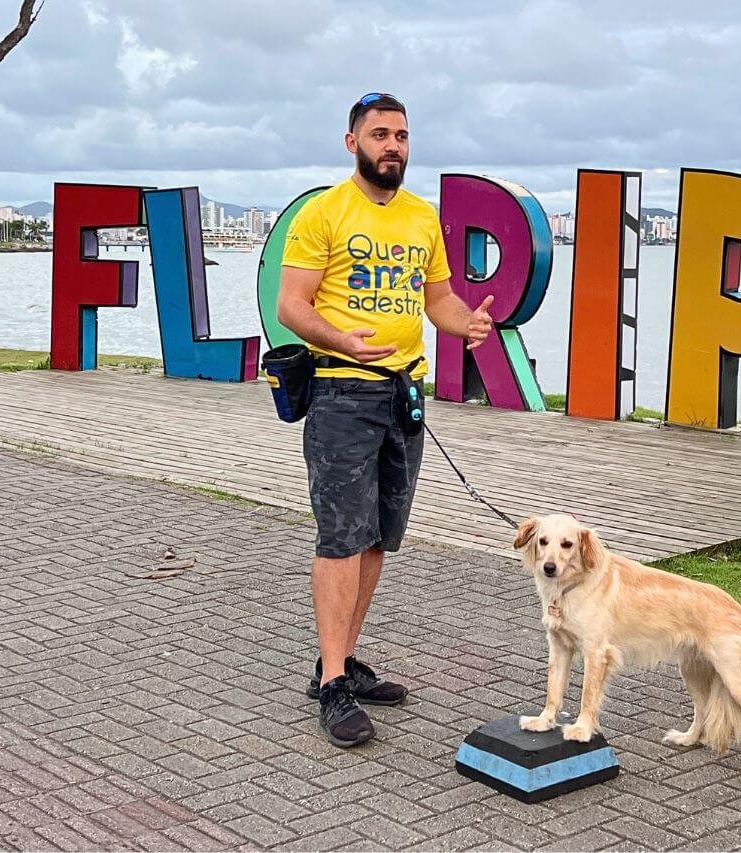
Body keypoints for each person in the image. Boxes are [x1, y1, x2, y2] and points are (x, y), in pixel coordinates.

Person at [276, 92, 495, 748]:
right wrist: (343, 341)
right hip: (342, 394)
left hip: (404, 396)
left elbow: (439, 301)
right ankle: (334, 683)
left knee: (376, 538)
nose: (393, 145)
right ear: (353, 143)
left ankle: (337, 660)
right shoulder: (324, 213)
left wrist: (469, 322)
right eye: (380, 134)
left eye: (401, 134)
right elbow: (292, 304)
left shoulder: (423, 218)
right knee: (341, 537)